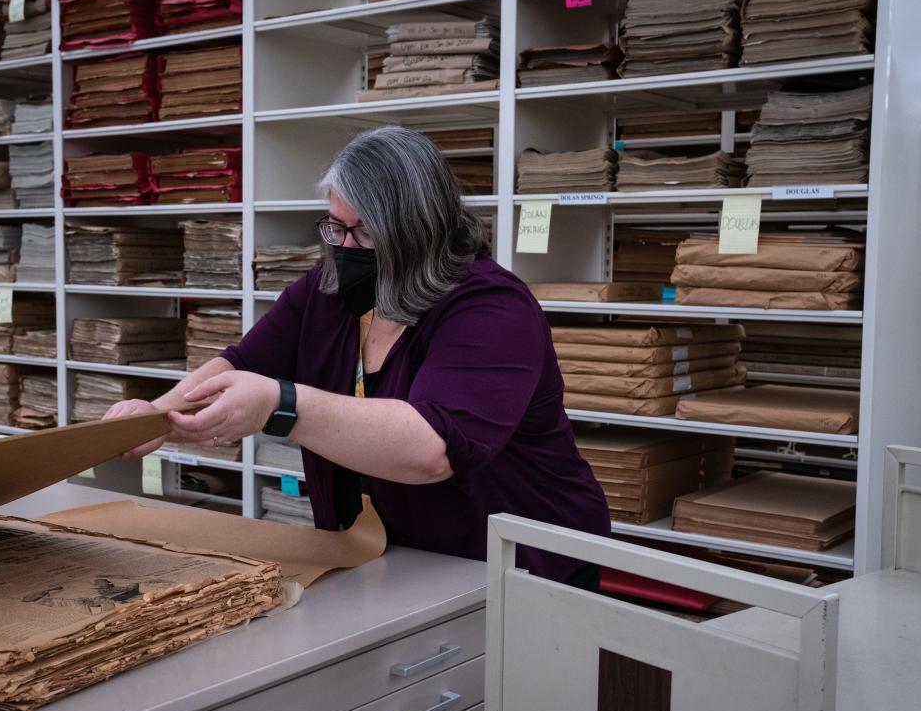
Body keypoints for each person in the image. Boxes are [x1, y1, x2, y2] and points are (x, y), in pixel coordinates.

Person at [105, 125, 610, 586]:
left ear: (420, 228)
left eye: (366, 232)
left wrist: (280, 405)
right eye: (336, 227)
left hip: (522, 567)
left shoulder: (491, 308)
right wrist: (157, 413)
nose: (346, 246)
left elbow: (432, 450)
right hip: (389, 554)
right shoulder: (327, 291)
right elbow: (240, 362)